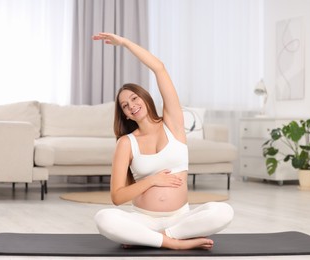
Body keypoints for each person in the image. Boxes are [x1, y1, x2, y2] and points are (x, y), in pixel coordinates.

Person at [92, 32, 233, 250]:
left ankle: (160, 237)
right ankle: (173, 243)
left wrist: (125, 43)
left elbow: (159, 68)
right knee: (104, 218)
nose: (131, 106)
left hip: (181, 218)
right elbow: (117, 197)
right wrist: (152, 180)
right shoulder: (126, 143)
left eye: (134, 98)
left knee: (224, 212)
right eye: (125, 106)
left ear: (145, 98)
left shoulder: (173, 125)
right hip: (143, 218)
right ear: (125, 115)